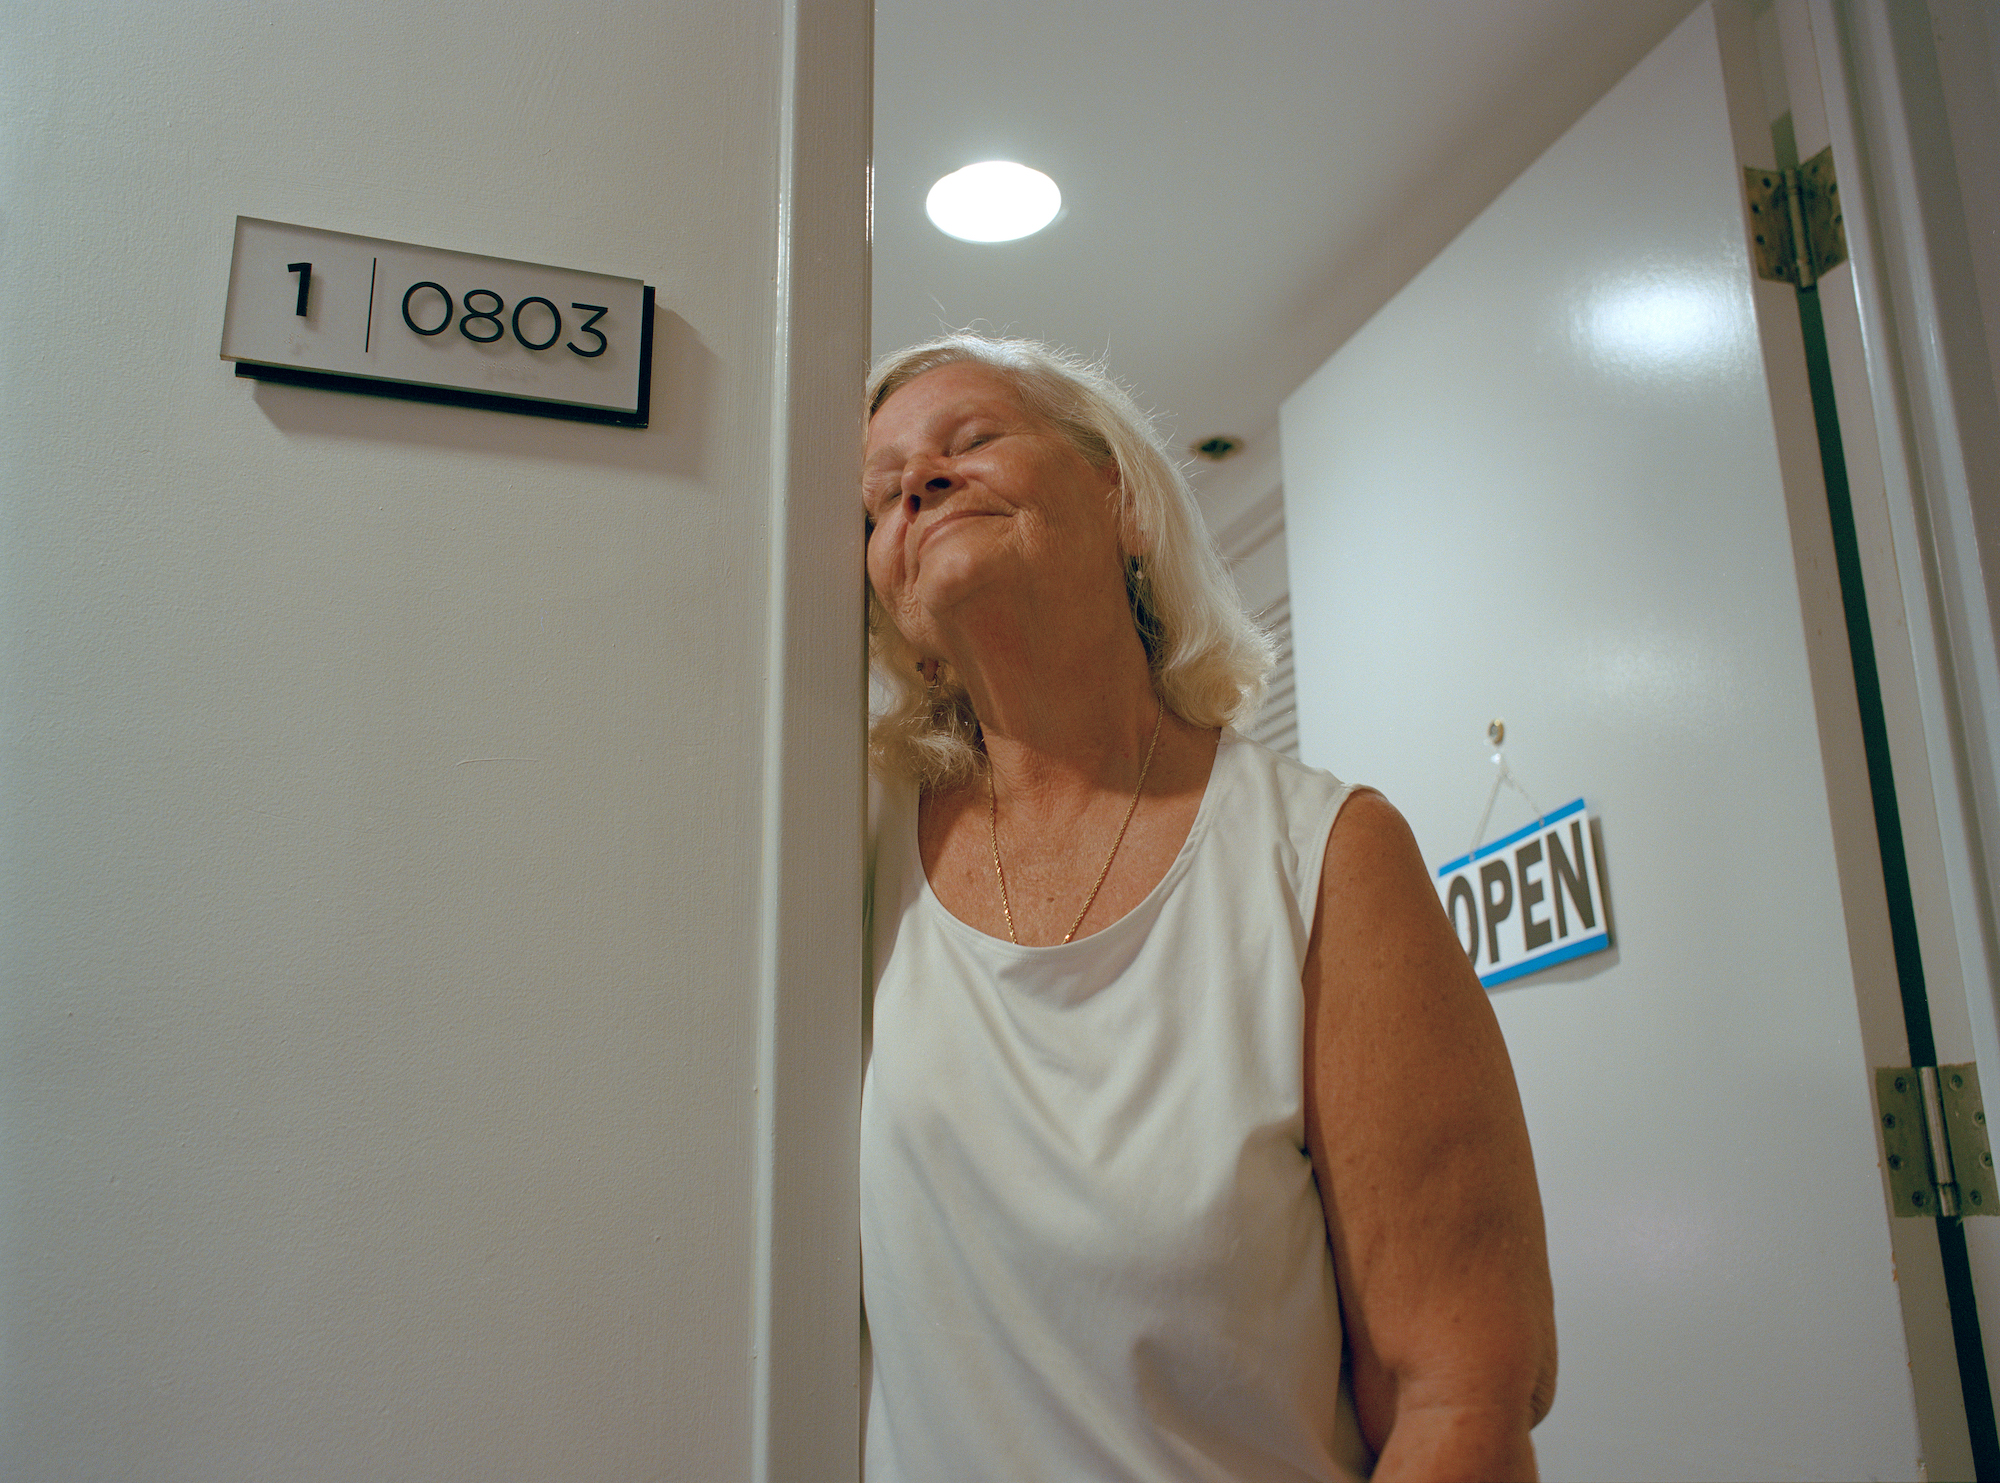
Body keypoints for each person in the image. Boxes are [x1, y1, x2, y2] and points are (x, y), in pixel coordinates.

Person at [859, 334, 1556, 1483]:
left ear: (1120, 498)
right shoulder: (846, 857)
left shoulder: (1323, 854)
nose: (920, 482)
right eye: (881, 497)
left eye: (970, 439)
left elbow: (1462, 1389)